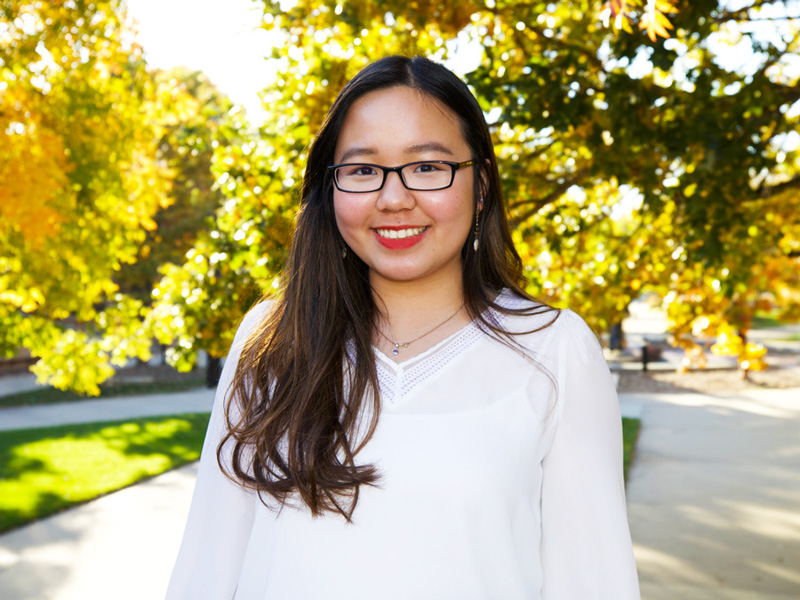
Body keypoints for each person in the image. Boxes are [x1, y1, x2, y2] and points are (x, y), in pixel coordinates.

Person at [166, 55, 640, 600]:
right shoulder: (273, 338)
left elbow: (594, 582)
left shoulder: (554, 351)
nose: (393, 198)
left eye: (428, 167)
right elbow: (207, 568)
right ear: (331, 187)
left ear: (480, 184)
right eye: (363, 170)